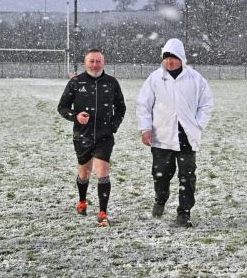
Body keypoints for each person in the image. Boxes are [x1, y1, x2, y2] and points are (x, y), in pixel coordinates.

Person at [135, 38, 214, 227]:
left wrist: (198, 124)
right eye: (166, 57)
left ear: (181, 58)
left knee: (187, 176)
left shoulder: (195, 79)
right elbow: (143, 105)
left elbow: (206, 104)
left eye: (173, 57)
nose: (169, 61)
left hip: (187, 137)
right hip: (161, 137)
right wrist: (145, 128)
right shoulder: (155, 78)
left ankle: (184, 212)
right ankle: (160, 199)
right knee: (161, 174)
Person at [57, 48, 126, 226]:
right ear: (85, 63)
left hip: (104, 136)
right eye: (91, 61)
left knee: (102, 171)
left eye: (98, 61)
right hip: (83, 136)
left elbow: (121, 107)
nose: (95, 65)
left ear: (104, 62)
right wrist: (76, 116)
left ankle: (103, 212)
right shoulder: (76, 82)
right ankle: (82, 201)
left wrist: (113, 126)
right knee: (84, 173)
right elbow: (62, 107)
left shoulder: (111, 82)